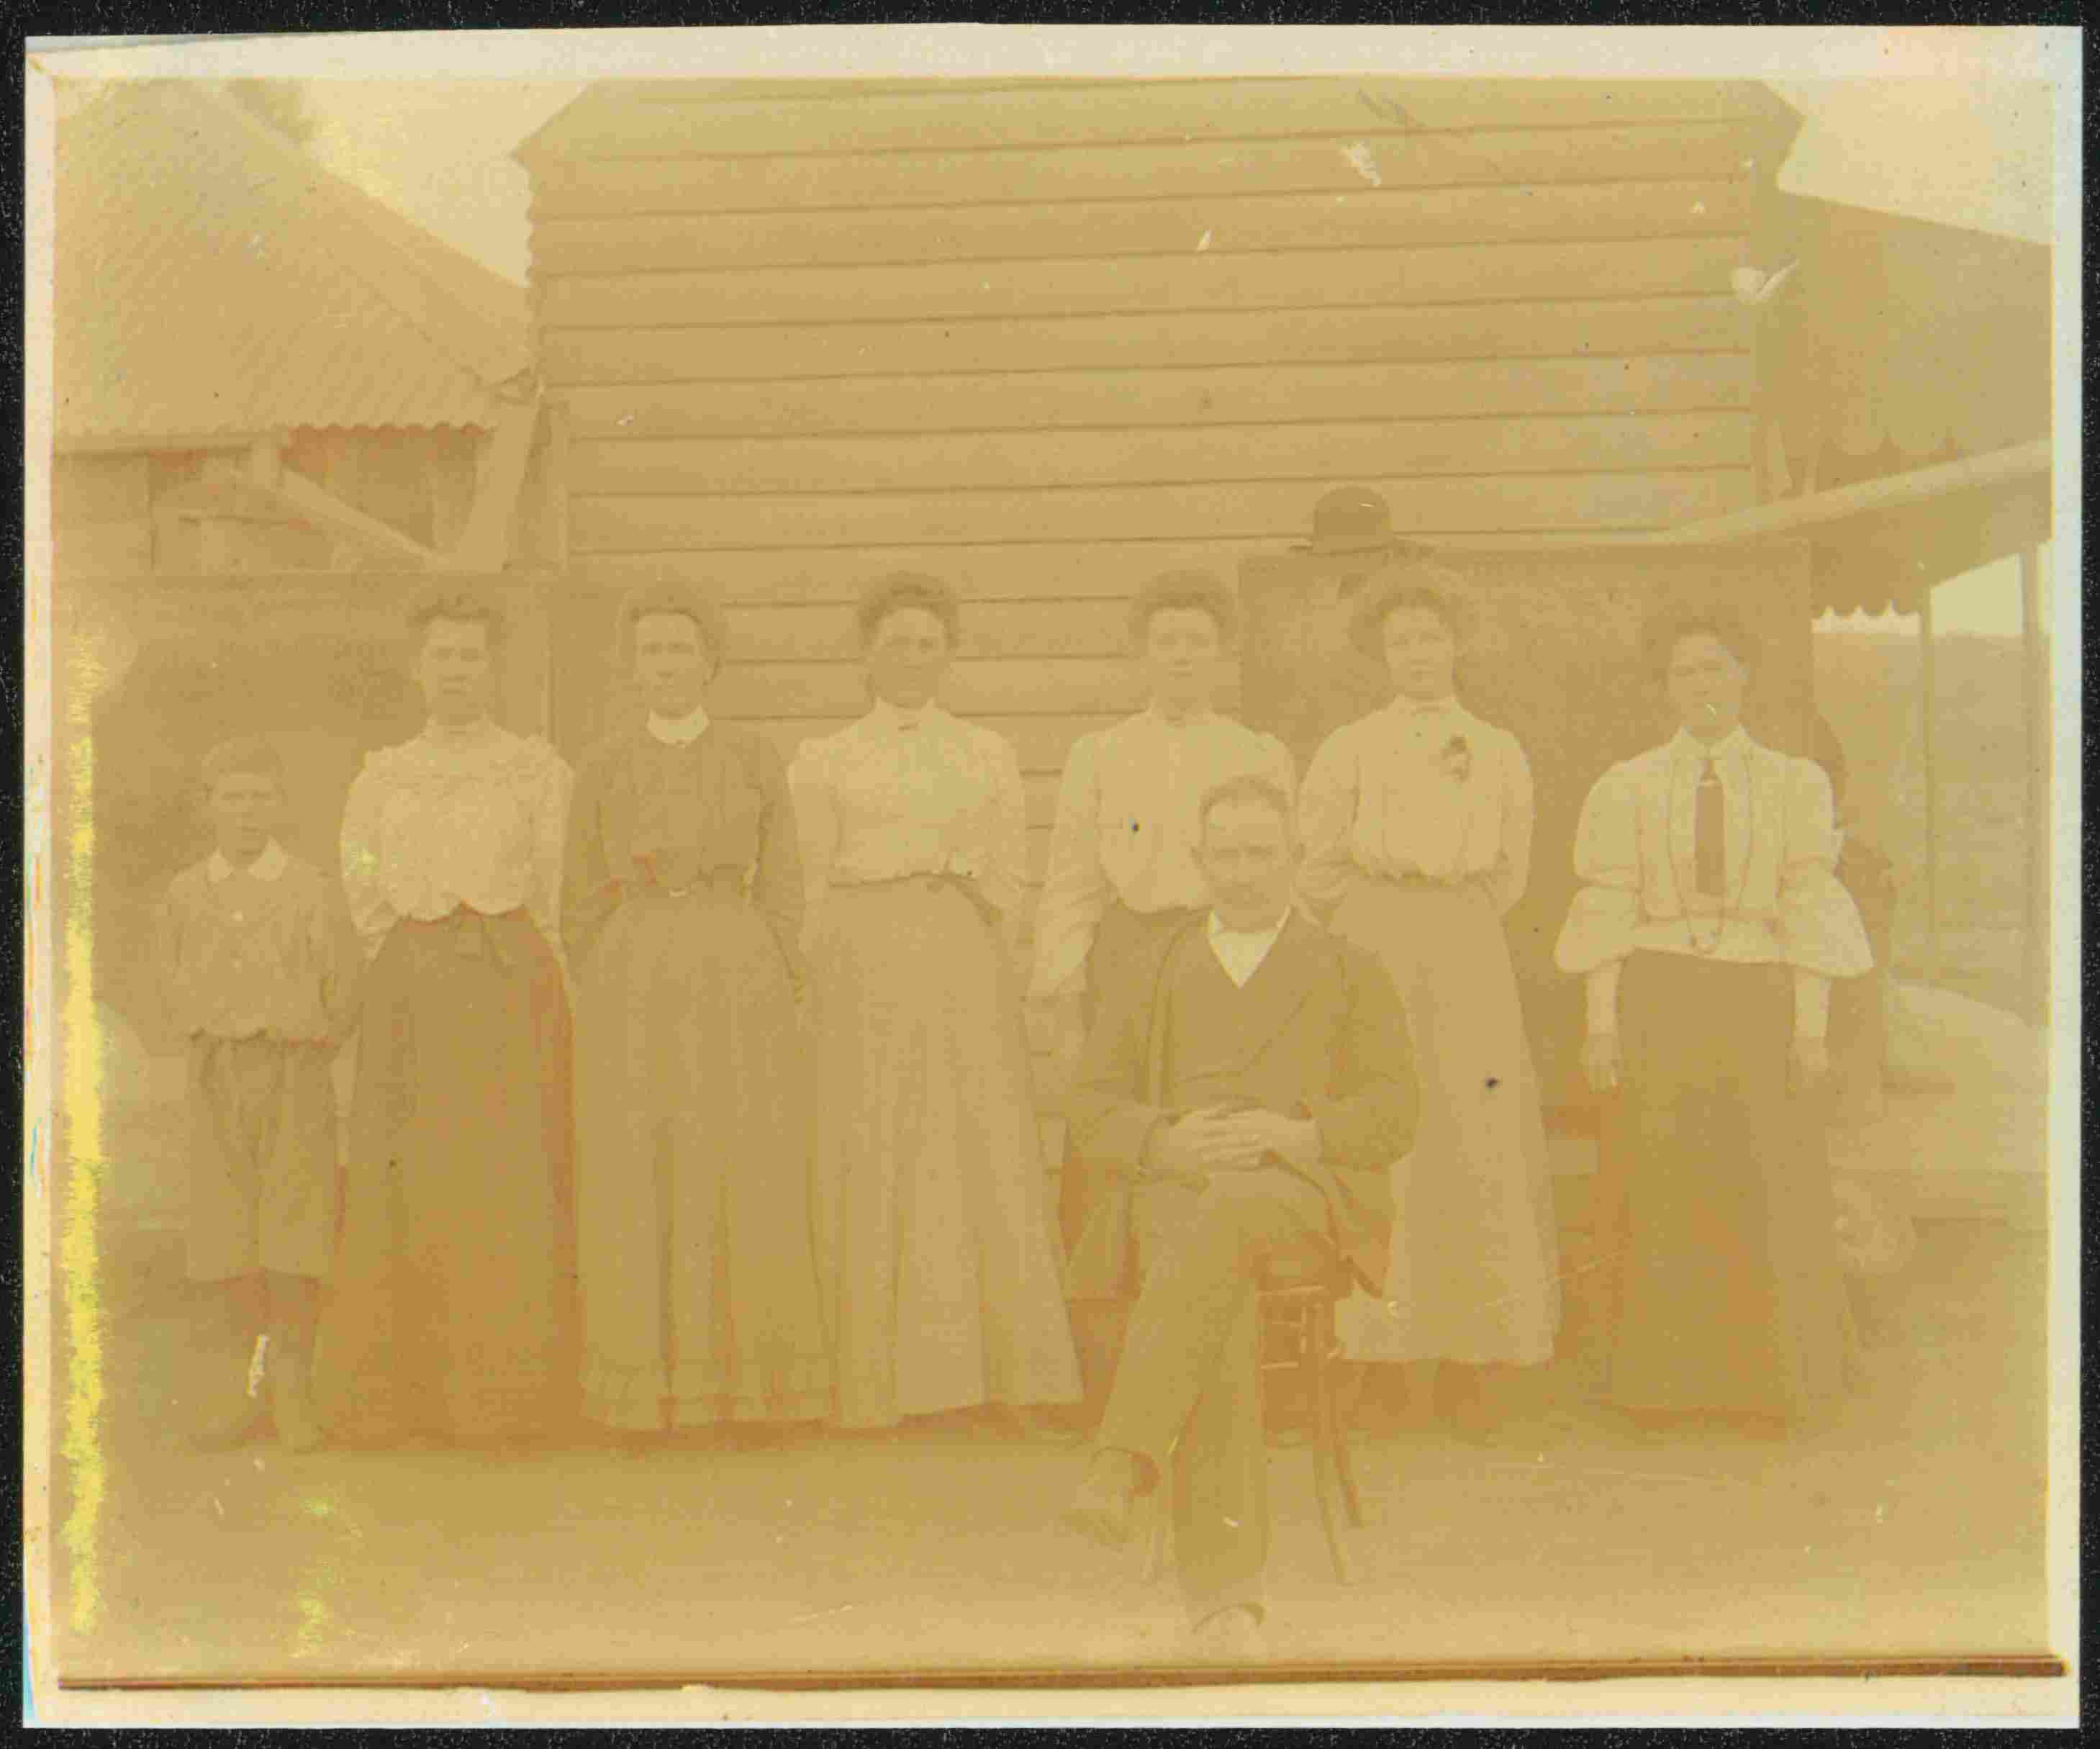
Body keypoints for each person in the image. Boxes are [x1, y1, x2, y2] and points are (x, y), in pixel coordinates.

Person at [1059, 774, 1418, 1660]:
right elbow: (1090, 1108)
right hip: (1178, 1193)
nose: (1245, 872)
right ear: (1198, 861)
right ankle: (1226, 1609)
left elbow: (1395, 1112)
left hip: (1296, 1194)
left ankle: (1126, 1464)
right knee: (1206, 1261)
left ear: (1293, 857)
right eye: (1227, 853)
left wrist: (1298, 1132)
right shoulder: (1153, 970)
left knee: (1215, 1232)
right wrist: (1168, 1141)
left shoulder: (1347, 968)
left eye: (1262, 852)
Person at [1554, 610, 1873, 1431]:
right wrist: (1600, 1024)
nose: (1701, 686)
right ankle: (1661, 1388)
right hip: (1659, 998)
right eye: (1683, 672)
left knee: (1765, 1182)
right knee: (1663, 1184)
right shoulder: (1626, 784)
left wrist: (1808, 1031)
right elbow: (1608, 903)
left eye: (1715, 669)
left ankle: (1771, 1387)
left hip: (1756, 997)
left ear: (1743, 680)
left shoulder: (1793, 783)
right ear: (1664, 688)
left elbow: (1807, 905)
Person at [788, 573, 1080, 1433]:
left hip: (957, 949)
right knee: (872, 1140)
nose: (911, 658)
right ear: (864, 654)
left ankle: (990, 1372)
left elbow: (1006, 871)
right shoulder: (827, 758)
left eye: (928, 643)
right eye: (895, 642)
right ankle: (868, 1380)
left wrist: (978, 935)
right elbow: (809, 876)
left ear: (948, 654)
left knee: (970, 1144)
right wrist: (811, 973)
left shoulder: (982, 752)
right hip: (858, 950)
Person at [561, 583, 833, 1441]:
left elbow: (785, 876)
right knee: (642, 1161)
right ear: (631, 668)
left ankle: (748, 1388)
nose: (667, 666)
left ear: (710, 664)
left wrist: (778, 963)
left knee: (738, 1159)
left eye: (682, 649)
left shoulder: (753, 755)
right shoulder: (602, 764)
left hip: (734, 962)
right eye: (651, 651)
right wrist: (606, 969)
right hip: (635, 973)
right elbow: (577, 892)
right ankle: (646, 1392)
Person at [1296, 568, 1560, 1437]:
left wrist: (1452, 914)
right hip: (1374, 929)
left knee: (1470, 1132)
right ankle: (1377, 1356)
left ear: (1456, 645)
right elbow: (1320, 861)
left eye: (1430, 637)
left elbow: (1510, 870)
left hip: (1463, 936)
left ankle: (1472, 1354)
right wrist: (1376, 915)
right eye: (1401, 640)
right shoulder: (1350, 747)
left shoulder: (1496, 748)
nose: (1417, 654)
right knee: (1384, 1131)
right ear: (1381, 653)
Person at [318, 586, 578, 1449]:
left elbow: (551, 884)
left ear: (493, 667)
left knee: (502, 1177)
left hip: (505, 982)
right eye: (441, 657)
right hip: (413, 988)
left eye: (471, 656)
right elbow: (361, 884)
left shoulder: (535, 770)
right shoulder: (383, 775)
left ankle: (507, 1401)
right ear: (417, 668)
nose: (456, 671)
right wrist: (413, 956)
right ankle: (408, 1401)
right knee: (413, 1174)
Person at [1028, 571, 1294, 1412]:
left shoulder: (1258, 754)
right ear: (1141, 654)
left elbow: (1279, 876)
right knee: (1116, 1147)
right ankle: (1107, 1379)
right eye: (1166, 641)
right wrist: (1060, 991)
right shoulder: (1099, 755)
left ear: (1221, 656)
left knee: (1221, 1144)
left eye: (1197, 642)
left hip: (1227, 955)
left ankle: (1233, 1377)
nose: (1181, 656)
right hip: (1128, 956)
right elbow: (1071, 880)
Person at [155, 736, 361, 1453]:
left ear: (280, 806)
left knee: (294, 1228)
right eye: (232, 797)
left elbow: (343, 992)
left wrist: (297, 1040)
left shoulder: (310, 889)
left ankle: (295, 1387)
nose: (246, 811)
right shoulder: (185, 893)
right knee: (228, 1231)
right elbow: (168, 981)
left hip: (293, 1071)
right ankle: (248, 1389)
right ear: (208, 807)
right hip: (217, 1073)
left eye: (259, 797)